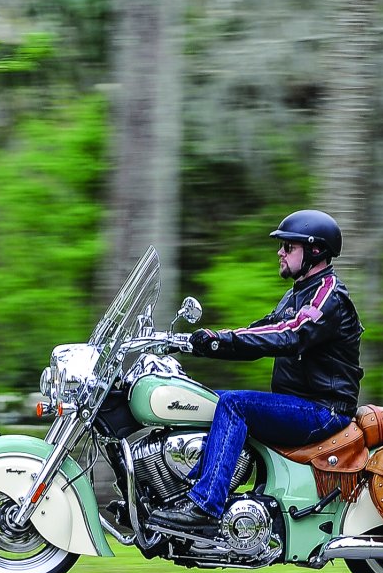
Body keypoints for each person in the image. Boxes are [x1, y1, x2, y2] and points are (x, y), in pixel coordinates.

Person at [151, 208, 363, 536]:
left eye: (288, 247)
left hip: (323, 411)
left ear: (315, 251)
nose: (280, 252)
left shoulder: (328, 295)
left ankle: (206, 506)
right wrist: (196, 343)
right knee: (201, 400)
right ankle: (175, 493)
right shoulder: (299, 293)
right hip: (299, 405)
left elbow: (289, 333)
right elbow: (261, 331)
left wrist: (220, 340)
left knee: (235, 404)